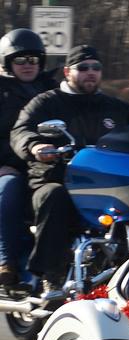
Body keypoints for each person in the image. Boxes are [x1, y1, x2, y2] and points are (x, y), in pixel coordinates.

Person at [10, 44, 129, 298]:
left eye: (96, 68)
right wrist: (35, 145)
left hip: (104, 185)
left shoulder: (117, 108)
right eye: (83, 68)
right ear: (68, 71)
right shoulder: (47, 102)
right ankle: (51, 276)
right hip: (55, 177)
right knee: (53, 197)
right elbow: (20, 130)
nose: (90, 72)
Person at [0, 28, 57, 287]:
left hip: (49, 166)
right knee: (9, 190)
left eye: (33, 59)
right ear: (7, 63)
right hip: (9, 168)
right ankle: (6, 261)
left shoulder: (53, 91)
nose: (27, 65)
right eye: (20, 60)